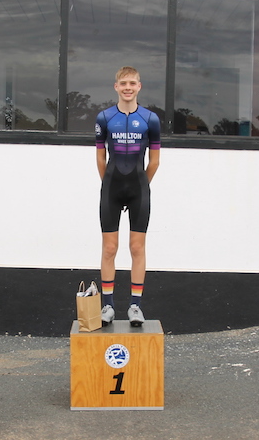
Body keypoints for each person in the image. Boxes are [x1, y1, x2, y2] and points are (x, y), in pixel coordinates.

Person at [95, 66, 161, 326]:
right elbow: (100, 157)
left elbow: (154, 161)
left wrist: (141, 184)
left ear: (139, 86)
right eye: (123, 83)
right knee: (109, 248)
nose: (128, 88)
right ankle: (108, 306)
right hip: (111, 187)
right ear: (116, 87)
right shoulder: (104, 117)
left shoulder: (150, 119)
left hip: (138, 189)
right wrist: (109, 184)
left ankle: (135, 306)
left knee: (137, 247)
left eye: (132, 83)